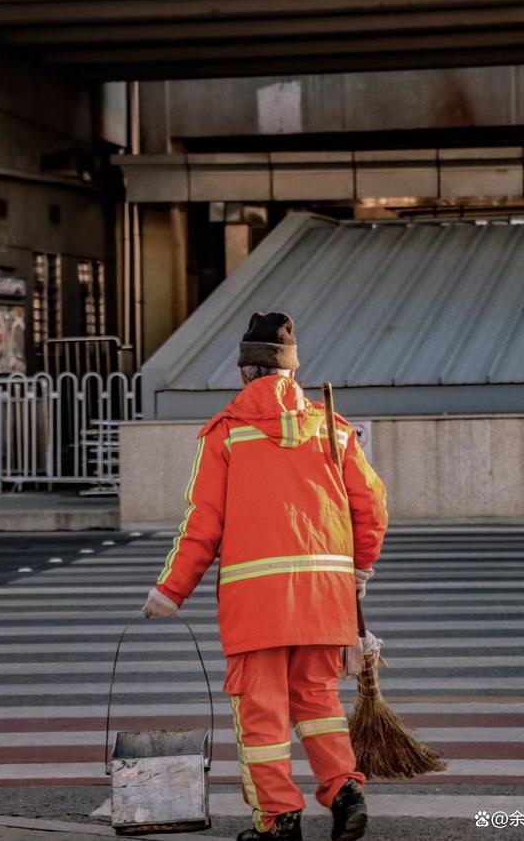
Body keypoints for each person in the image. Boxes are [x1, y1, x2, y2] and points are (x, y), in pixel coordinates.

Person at [143, 312, 388, 841]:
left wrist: (170, 590)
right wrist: (360, 566)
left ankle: (279, 820)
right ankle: (346, 793)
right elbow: (371, 505)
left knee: (262, 714)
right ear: (293, 373)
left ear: (243, 373)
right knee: (319, 701)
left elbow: (203, 522)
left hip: (256, 605)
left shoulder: (226, 433)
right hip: (326, 601)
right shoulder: (333, 428)